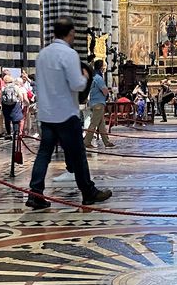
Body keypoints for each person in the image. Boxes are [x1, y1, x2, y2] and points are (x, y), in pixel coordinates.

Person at [26, 17, 112, 209]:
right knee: (78, 155)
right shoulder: (69, 54)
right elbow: (77, 84)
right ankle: (88, 192)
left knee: (43, 154)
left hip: (47, 113)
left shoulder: (42, 54)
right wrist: (86, 76)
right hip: (65, 113)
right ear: (70, 33)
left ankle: (35, 193)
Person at [84, 59, 115, 148]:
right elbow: (105, 91)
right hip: (98, 104)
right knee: (94, 123)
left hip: (94, 102)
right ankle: (86, 141)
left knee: (101, 124)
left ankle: (107, 142)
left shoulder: (93, 77)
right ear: (101, 67)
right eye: (104, 66)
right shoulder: (98, 78)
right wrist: (108, 94)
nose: (105, 68)